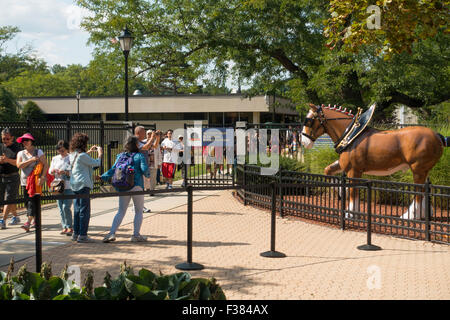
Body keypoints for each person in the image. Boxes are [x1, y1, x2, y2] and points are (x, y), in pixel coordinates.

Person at [101, 136, 150, 243]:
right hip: (137, 185)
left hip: (123, 186)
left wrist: (103, 176)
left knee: (121, 211)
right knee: (138, 211)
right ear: (136, 145)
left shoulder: (120, 156)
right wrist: (147, 175)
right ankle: (136, 235)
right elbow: (144, 169)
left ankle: (111, 233)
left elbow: (113, 169)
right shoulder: (139, 156)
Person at [69, 133, 102, 243]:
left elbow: (81, 160)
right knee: (84, 210)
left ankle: (76, 233)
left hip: (74, 184)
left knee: (77, 210)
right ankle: (83, 235)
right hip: (83, 184)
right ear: (83, 143)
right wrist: (100, 154)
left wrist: (89, 152)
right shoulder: (83, 156)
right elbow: (97, 163)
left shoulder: (73, 154)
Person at [16, 133, 49, 232]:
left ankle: (28, 223)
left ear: (31, 141)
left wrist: (42, 177)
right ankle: (35, 220)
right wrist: (31, 160)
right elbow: (19, 165)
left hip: (36, 182)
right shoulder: (21, 153)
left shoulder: (38, 151)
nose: (25, 142)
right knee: (27, 203)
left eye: (27, 140)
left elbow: (46, 165)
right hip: (24, 182)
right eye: (23, 141)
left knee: (31, 202)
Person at [49, 140, 74, 236]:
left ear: (67, 149)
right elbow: (50, 170)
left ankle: (69, 227)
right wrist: (53, 170)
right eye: (59, 150)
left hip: (68, 186)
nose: (61, 152)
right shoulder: (55, 158)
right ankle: (64, 227)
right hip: (58, 185)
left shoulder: (71, 158)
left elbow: (73, 171)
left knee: (66, 207)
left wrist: (65, 172)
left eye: (63, 150)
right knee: (60, 207)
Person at [0, 128, 22, 229]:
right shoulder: (1, 147)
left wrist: (7, 160)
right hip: (2, 176)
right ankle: (16, 217)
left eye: (7, 139)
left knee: (8, 199)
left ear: (12, 138)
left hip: (13, 176)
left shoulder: (17, 148)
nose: (5, 141)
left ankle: (3, 220)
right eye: (3, 139)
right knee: (10, 199)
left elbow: (18, 163)